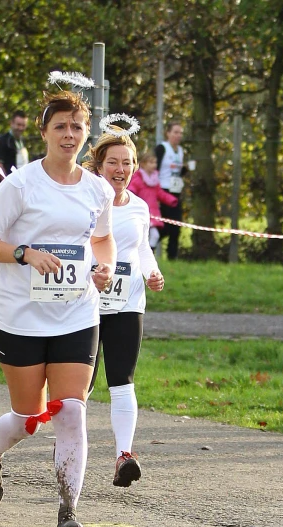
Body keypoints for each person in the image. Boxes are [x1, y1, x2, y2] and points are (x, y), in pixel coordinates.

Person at [0, 89, 115, 527]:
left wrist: (105, 267)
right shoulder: (21, 185)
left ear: (86, 132)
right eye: (60, 126)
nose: (69, 135)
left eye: (77, 126)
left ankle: (68, 511)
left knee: (71, 409)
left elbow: (103, 240)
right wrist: (25, 253)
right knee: (29, 415)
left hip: (76, 312)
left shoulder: (98, 189)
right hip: (19, 317)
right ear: (44, 132)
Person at [83, 129, 166, 488]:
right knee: (80, 386)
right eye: (113, 162)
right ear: (99, 165)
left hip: (127, 303)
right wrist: (91, 271)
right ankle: (71, 448)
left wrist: (152, 271)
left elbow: (141, 248)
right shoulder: (84, 199)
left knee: (122, 380)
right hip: (83, 302)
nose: (121, 168)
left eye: (127, 162)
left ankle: (124, 455)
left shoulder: (139, 206)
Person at [128, 151, 178, 252]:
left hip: (153, 213)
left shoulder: (155, 180)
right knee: (140, 236)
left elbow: (160, 193)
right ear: (143, 164)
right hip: (140, 213)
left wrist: (171, 200)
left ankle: (149, 253)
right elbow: (131, 190)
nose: (154, 165)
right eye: (150, 162)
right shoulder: (137, 178)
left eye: (155, 162)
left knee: (154, 235)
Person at [155, 121, 187, 260]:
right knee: (165, 226)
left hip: (176, 191)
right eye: (175, 132)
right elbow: (153, 168)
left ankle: (172, 257)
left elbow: (177, 172)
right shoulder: (162, 148)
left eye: (180, 133)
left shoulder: (180, 151)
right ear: (168, 133)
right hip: (163, 190)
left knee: (177, 225)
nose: (178, 135)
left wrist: (185, 170)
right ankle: (148, 247)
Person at [0, 110, 28, 183]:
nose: (21, 128)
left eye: (23, 125)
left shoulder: (23, 141)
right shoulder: (2, 140)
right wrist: (6, 182)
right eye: (18, 125)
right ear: (11, 123)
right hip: (8, 183)